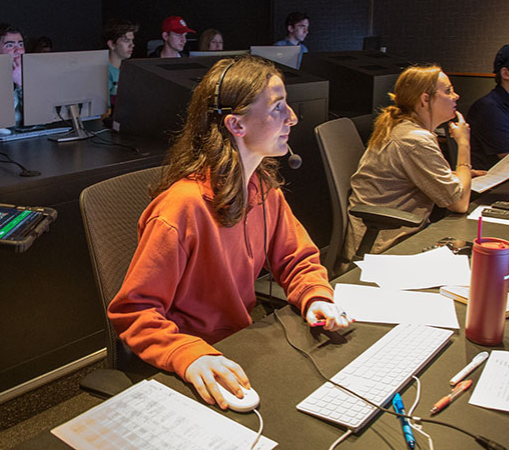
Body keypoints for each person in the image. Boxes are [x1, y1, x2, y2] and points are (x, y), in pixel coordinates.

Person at [108, 55, 350, 410]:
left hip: (240, 342)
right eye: (278, 107)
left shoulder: (263, 189)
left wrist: (315, 296)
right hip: (195, 360)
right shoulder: (182, 207)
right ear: (236, 125)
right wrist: (187, 355)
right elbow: (135, 312)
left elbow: (296, 258)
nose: (292, 118)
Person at [343, 65, 482, 269]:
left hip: (397, 233)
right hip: (388, 245)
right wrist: (463, 144)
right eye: (448, 91)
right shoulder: (414, 140)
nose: (456, 96)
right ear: (425, 99)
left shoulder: (403, 128)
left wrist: (458, 174)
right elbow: (459, 203)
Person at [104, 18, 138, 110]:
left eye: (132, 40)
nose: (132, 45)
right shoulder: (104, 73)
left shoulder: (131, 70)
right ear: (111, 44)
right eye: (126, 40)